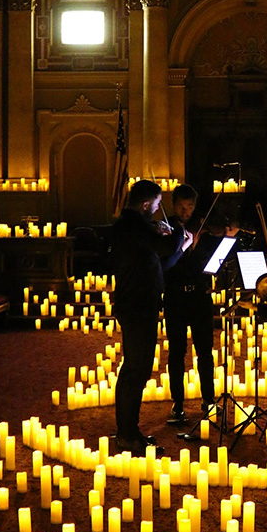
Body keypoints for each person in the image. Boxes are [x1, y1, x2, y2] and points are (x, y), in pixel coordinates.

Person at [110, 179, 172, 455]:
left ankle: (129, 430)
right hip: (137, 304)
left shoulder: (135, 225)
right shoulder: (132, 226)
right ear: (145, 204)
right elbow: (164, 248)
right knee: (136, 369)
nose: (158, 210)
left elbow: (155, 257)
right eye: (157, 204)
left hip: (139, 303)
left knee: (137, 368)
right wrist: (179, 235)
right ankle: (126, 433)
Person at [161, 184, 219, 424]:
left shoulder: (204, 230)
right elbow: (165, 264)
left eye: (190, 207)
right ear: (173, 205)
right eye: (181, 207)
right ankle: (178, 402)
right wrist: (180, 245)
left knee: (205, 351)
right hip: (175, 296)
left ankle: (209, 399)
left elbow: (214, 262)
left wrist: (216, 240)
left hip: (200, 297)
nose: (186, 212)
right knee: (177, 352)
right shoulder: (166, 230)